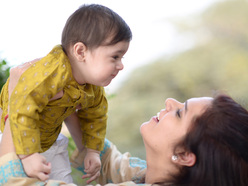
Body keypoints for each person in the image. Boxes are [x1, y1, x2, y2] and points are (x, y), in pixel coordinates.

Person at [1, 79, 248, 185]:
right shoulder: (149, 175)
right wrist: (72, 105)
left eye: (180, 112)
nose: (170, 101)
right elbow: (110, 165)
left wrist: (19, 102)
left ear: (184, 155)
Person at [0, 3, 132, 184]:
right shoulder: (49, 73)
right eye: (115, 57)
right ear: (80, 51)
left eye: (122, 57)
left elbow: (96, 117)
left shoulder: (93, 88)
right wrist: (28, 155)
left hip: (51, 142)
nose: (121, 65)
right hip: (18, 138)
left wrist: (93, 151)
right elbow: (21, 108)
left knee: (65, 180)